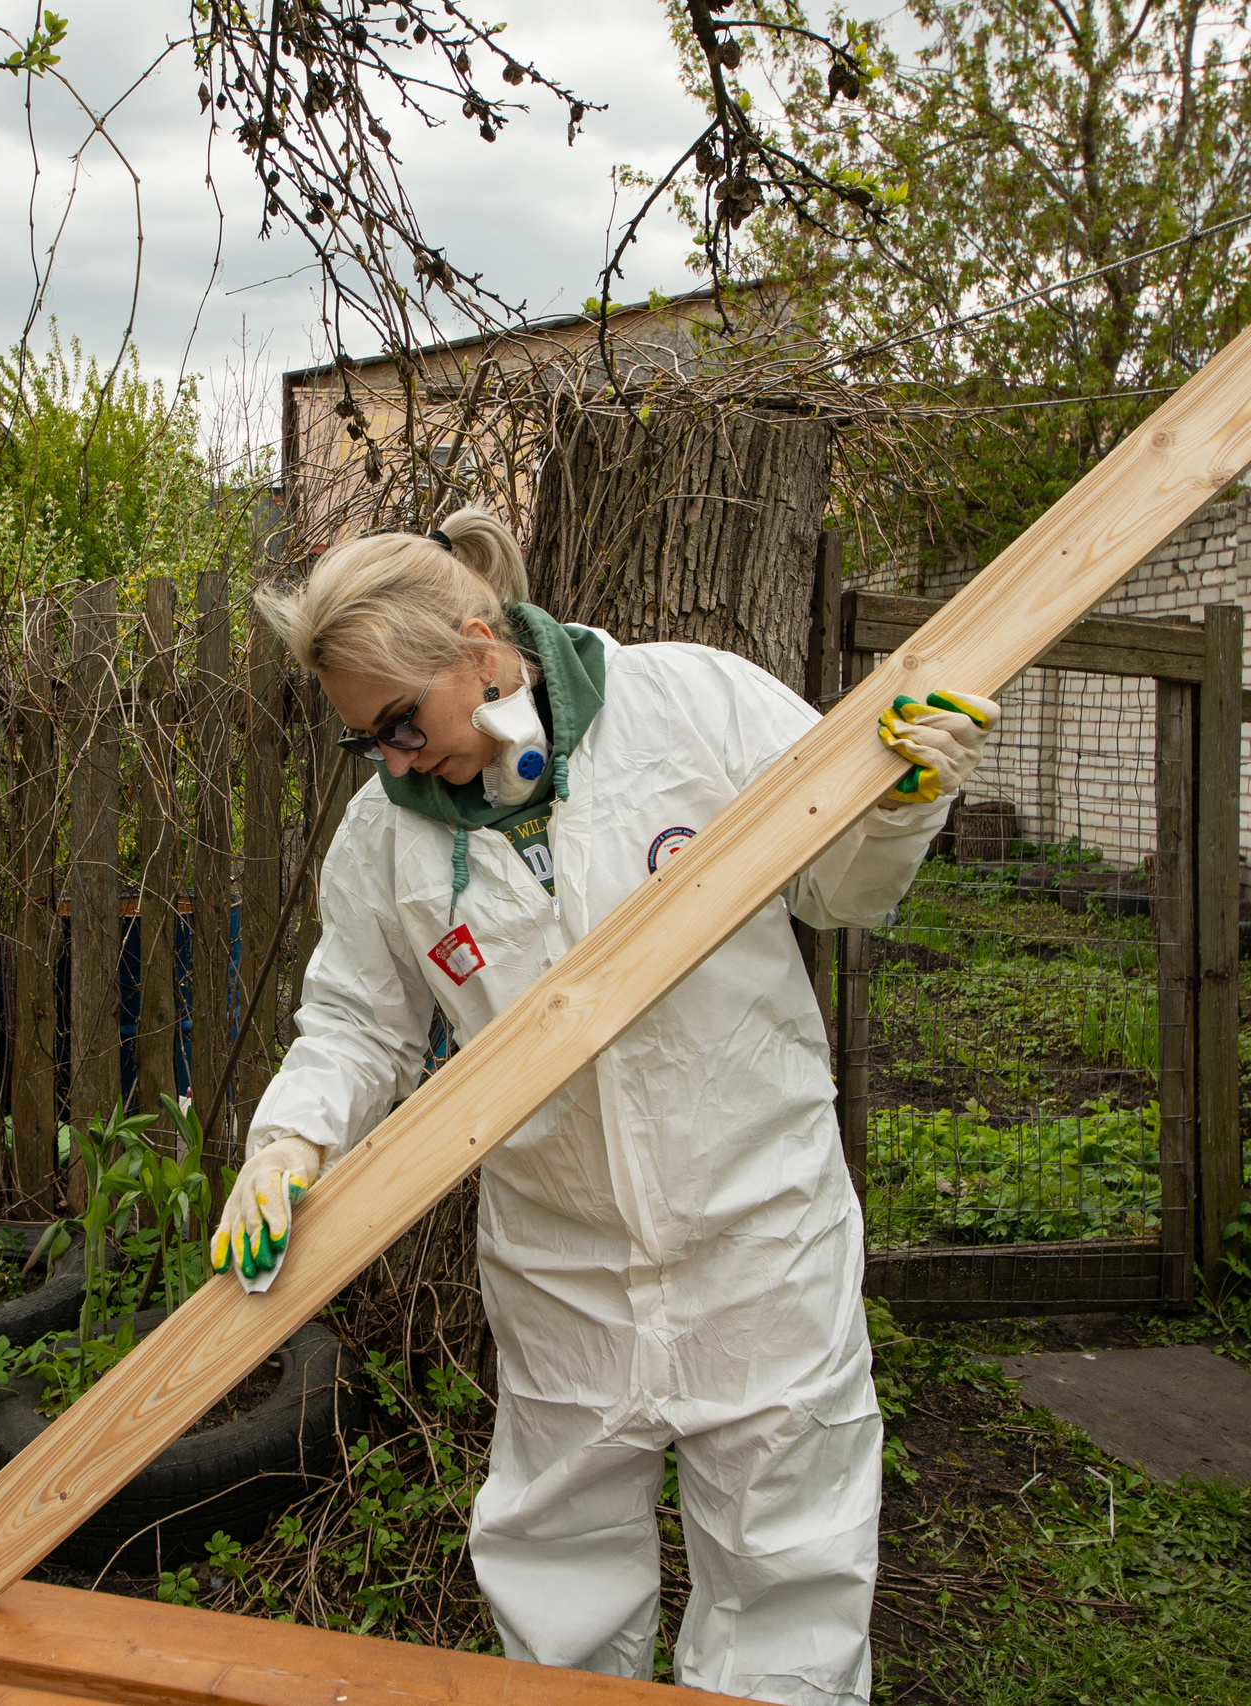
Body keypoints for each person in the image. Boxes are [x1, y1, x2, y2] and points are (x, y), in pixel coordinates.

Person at [208, 507, 995, 1705]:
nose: (397, 760)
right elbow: (359, 1021)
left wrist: (897, 799)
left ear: (480, 644)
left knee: (787, 1553)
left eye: (403, 724)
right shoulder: (385, 836)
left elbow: (838, 886)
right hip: (558, 1249)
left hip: (759, 1223)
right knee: (558, 1555)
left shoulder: (688, 705)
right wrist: (287, 1139)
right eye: (366, 742)